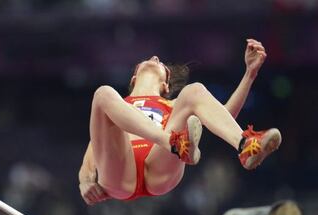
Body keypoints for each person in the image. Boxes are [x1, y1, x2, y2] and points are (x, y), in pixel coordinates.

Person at [79, 39, 282, 205]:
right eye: (149, 59)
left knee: (194, 91)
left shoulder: (173, 104)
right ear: (133, 78)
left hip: (160, 165)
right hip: (120, 174)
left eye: (160, 64)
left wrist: (249, 74)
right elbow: (94, 150)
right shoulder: (115, 106)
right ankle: (171, 142)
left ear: (166, 85)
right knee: (103, 94)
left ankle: (245, 146)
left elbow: (223, 115)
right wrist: (84, 181)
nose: (155, 57)